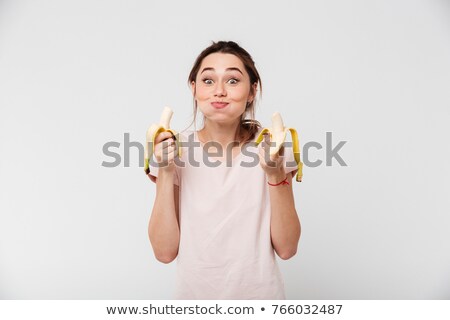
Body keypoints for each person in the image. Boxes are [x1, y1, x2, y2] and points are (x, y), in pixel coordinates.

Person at [147, 40, 301, 299]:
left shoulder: (271, 150)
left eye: (232, 80)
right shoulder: (174, 149)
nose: (219, 91)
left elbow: (287, 248)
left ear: (252, 91)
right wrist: (164, 170)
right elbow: (164, 252)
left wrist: (275, 176)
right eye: (208, 81)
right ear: (194, 89)